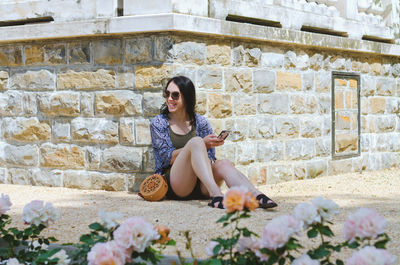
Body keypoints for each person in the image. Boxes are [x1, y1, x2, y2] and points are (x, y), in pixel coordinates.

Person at [150, 76, 277, 209]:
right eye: (167, 94)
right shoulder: (159, 123)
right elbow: (166, 158)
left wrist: (207, 146)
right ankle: (216, 193)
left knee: (224, 164)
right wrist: (200, 144)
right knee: (197, 142)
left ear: (186, 96)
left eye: (175, 95)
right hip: (177, 185)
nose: (169, 98)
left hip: (202, 184)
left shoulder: (200, 122)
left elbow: (210, 158)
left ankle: (256, 195)